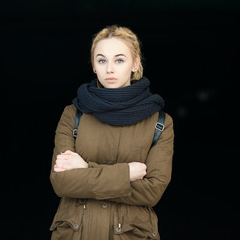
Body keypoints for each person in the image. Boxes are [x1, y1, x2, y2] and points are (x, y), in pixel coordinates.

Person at [49, 25, 174, 240]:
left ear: (135, 63)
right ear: (94, 66)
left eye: (119, 60)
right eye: (102, 60)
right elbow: (61, 182)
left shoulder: (159, 122)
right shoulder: (73, 114)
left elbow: (153, 191)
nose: (109, 69)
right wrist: (126, 174)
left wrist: (85, 169)